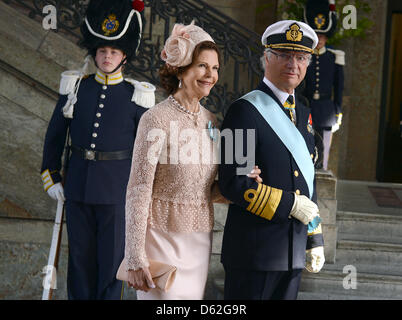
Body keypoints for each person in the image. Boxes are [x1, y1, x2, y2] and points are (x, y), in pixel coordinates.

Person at [123, 21, 261, 300]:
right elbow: (138, 189)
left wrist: (242, 183)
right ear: (181, 68)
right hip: (160, 241)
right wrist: (135, 256)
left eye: (215, 68)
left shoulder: (212, 122)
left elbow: (206, 191)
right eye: (202, 66)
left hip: (199, 241)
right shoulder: (155, 119)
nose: (211, 75)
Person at [40, 0, 155, 299]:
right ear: (95, 52)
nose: (106, 57)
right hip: (76, 186)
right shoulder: (77, 88)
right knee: (79, 261)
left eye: (113, 51)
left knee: (110, 265)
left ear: (124, 56)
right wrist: (51, 175)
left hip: (117, 193)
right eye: (102, 51)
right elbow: (55, 136)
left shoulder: (137, 97)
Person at [218, 20, 325, 300]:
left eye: (301, 57)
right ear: (267, 57)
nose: (293, 64)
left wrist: (314, 237)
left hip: (292, 254)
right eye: (284, 55)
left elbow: (308, 181)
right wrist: (291, 204)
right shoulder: (242, 110)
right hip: (253, 254)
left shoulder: (303, 114)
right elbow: (233, 183)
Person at [301, 0, 345, 170]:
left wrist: (338, 111)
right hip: (307, 106)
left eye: (321, 37)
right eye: (315, 36)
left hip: (327, 109)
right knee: (305, 146)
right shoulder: (305, 56)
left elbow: (339, 87)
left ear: (326, 38)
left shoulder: (334, 57)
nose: (318, 40)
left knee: (323, 152)